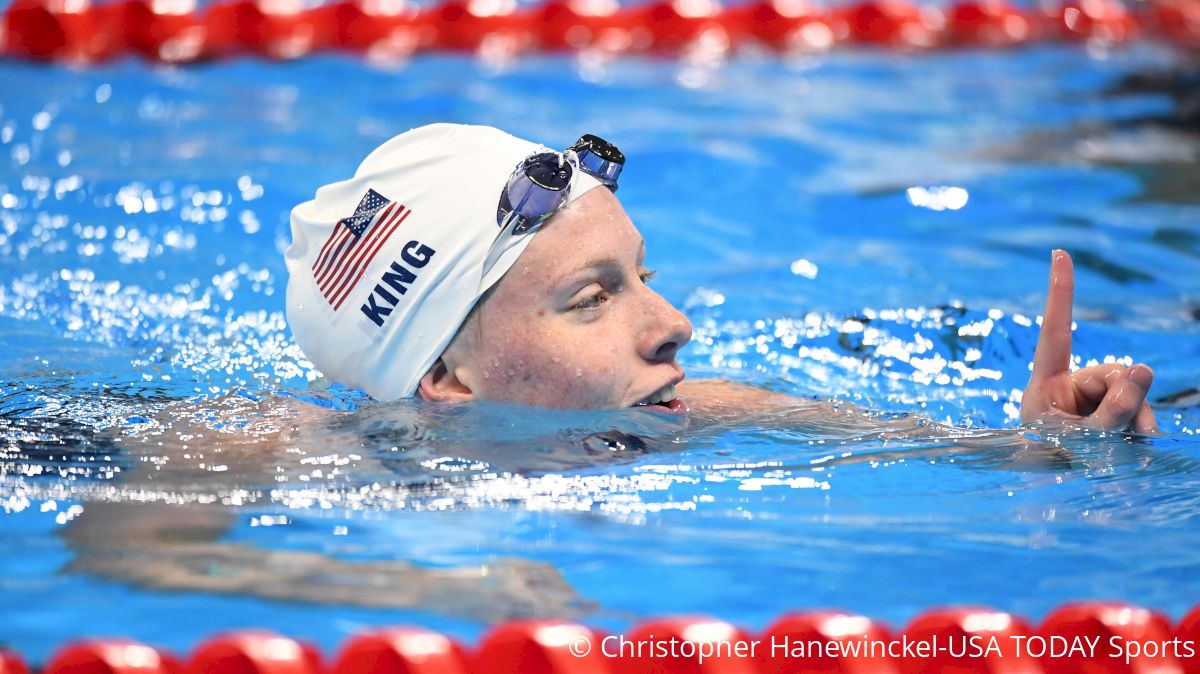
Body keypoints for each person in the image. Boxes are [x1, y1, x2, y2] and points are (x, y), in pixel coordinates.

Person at [284, 123, 1159, 434]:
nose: (675, 324)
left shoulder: (694, 412)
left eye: (643, 275)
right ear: (444, 378)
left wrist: (1043, 448)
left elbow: (971, 459)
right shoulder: (286, 463)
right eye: (591, 298)